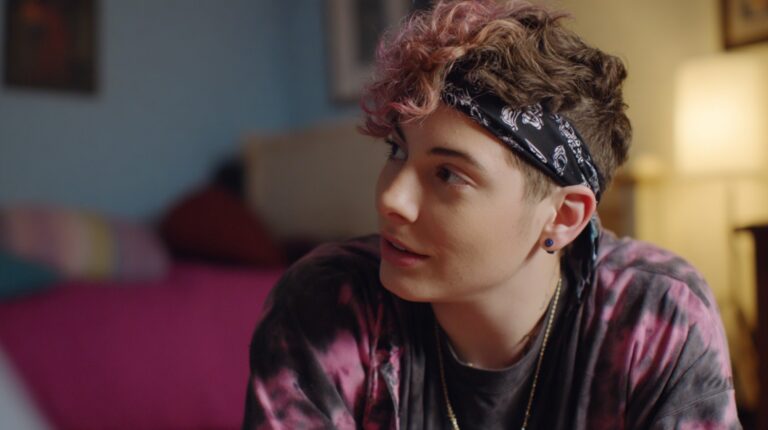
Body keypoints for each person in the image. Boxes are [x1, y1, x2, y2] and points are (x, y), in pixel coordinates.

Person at [242, 1, 740, 428]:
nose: (392, 197)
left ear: (564, 217)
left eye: (447, 174)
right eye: (397, 150)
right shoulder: (329, 305)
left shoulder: (654, 317)